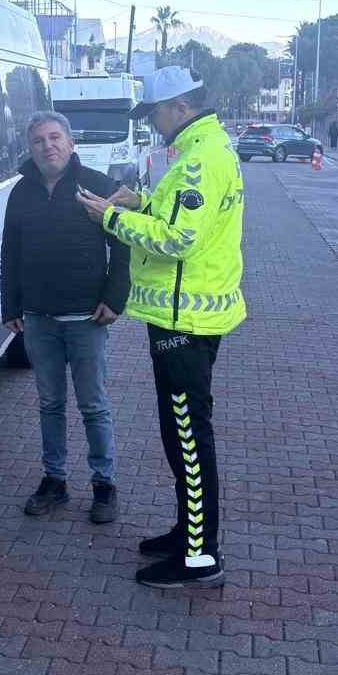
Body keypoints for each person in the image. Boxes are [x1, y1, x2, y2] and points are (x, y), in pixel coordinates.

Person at [78, 68, 246, 588]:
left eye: (152, 112)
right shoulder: (203, 151)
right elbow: (178, 220)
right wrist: (141, 204)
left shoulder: (199, 160)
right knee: (182, 435)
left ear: (176, 106)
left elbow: (177, 241)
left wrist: (109, 218)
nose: (151, 122)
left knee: (189, 438)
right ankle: (188, 533)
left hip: (185, 324)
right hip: (182, 319)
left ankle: (200, 556)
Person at [1, 111, 131, 524]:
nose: (48, 146)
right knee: (50, 403)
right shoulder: (21, 193)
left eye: (55, 137)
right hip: (39, 319)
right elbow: (10, 252)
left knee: (93, 404)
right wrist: (10, 306)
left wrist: (115, 298)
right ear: (31, 148)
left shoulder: (96, 185)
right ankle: (54, 480)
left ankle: (103, 485)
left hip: (86, 319)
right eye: (38, 140)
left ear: (71, 143)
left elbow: (123, 245)